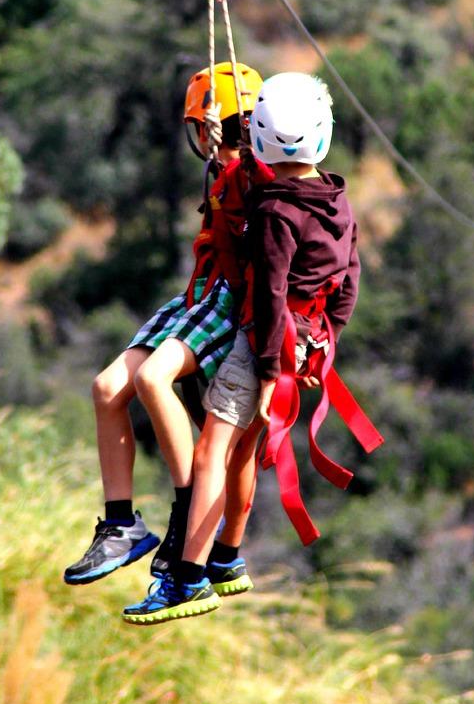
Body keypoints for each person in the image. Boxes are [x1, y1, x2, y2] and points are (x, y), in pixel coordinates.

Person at [122, 72, 361, 625]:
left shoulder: (277, 212)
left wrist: (266, 365)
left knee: (210, 455)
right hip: (306, 341)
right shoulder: (337, 199)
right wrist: (324, 342)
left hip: (265, 346)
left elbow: (272, 291)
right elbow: (348, 280)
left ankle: (185, 579)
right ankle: (226, 558)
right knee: (246, 455)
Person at [63, 60, 270, 591]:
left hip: (227, 302)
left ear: (209, 126)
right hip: (198, 296)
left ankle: (185, 516)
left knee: (153, 380)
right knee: (108, 388)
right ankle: (120, 524)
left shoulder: (253, 176)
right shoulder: (227, 171)